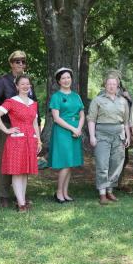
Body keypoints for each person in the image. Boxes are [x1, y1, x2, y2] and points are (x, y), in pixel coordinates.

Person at [0, 50, 39, 208]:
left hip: (27, 128)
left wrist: (37, 132)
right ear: (11, 63)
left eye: (23, 61)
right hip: (9, 126)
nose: (20, 64)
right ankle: (4, 194)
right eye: (17, 61)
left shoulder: (27, 81)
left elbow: (34, 104)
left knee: (24, 161)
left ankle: (20, 196)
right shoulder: (2, 81)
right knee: (6, 160)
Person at [88, 72, 130, 205]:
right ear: (105, 85)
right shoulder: (98, 100)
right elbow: (91, 119)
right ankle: (102, 192)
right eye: (109, 84)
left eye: (114, 84)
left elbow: (126, 121)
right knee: (102, 163)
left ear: (118, 86)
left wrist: (128, 136)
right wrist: (92, 136)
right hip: (102, 134)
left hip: (119, 134)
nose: (112, 86)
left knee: (116, 163)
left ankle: (110, 190)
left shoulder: (123, 101)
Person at [48, 68, 84, 203]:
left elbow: (82, 114)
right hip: (63, 131)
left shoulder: (76, 96)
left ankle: (65, 192)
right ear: (59, 81)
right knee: (65, 162)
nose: (66, 80)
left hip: (76, 130)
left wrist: (79, 128)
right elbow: (56, 118)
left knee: (71, 163)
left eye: (68, 77)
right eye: (63, 78)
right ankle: (58, 192)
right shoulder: (56, 97)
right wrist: (72, 129)